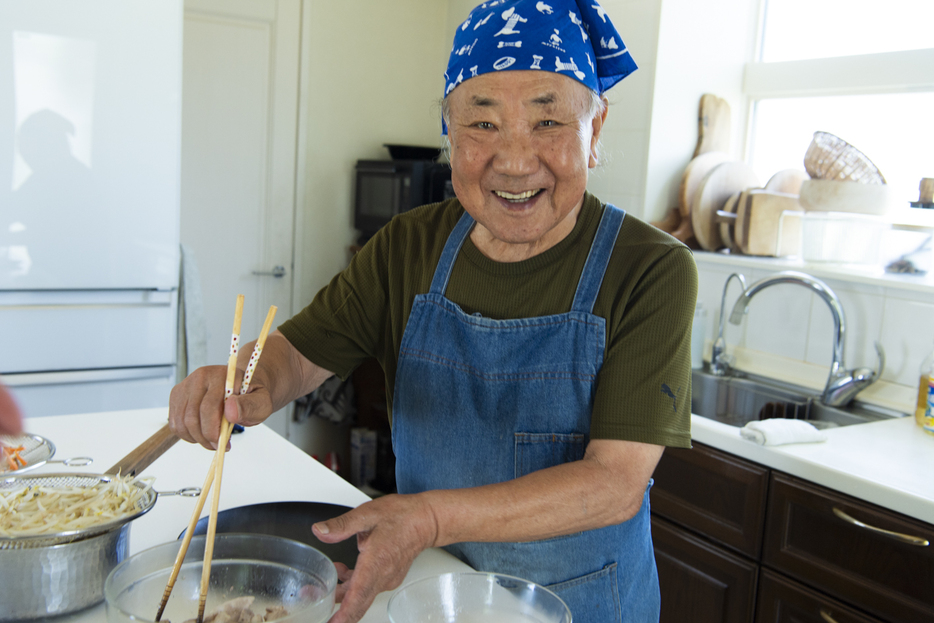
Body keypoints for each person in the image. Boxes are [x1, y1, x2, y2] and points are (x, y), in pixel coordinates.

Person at [169, 1, 697, 621]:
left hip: (575, 604)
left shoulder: (650, 268)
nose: (516, 160)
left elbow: (614, 483)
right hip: (431, 591)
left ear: (596, 129)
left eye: (548, 121)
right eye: (482, 124)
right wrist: (248, 381)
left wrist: (428, 518)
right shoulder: (407, 246)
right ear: (449, 133)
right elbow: (292, 354)